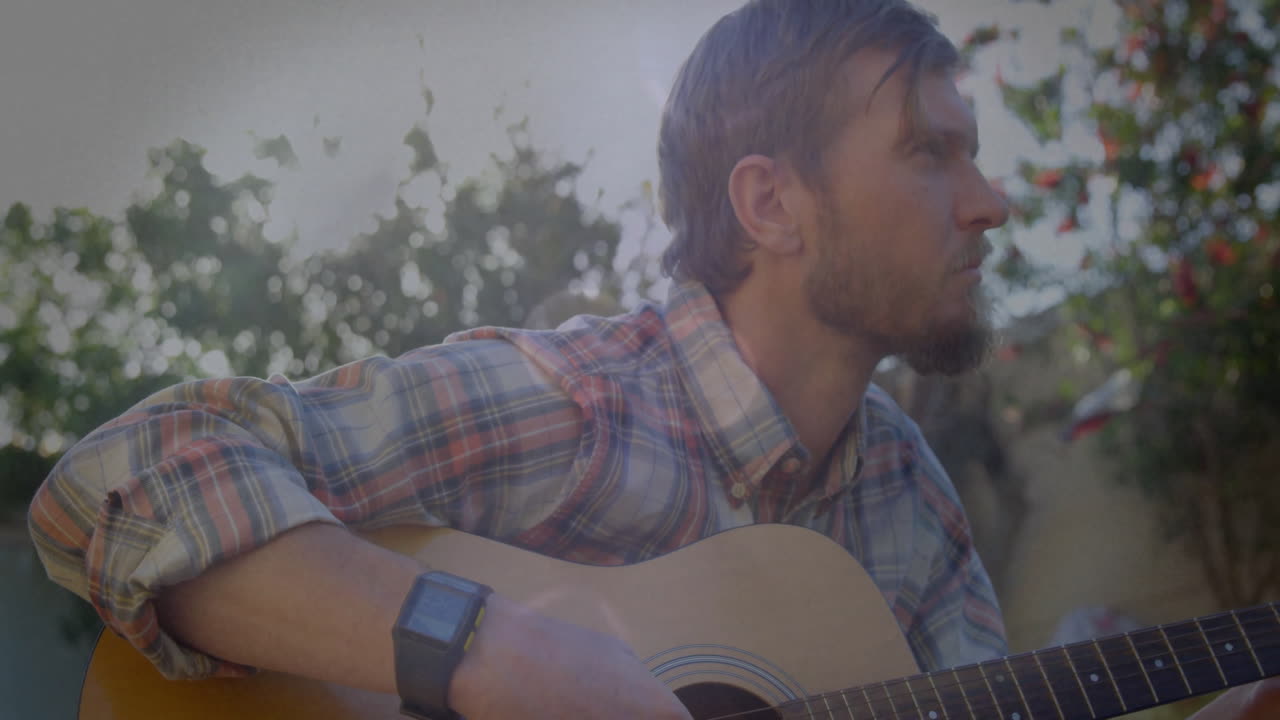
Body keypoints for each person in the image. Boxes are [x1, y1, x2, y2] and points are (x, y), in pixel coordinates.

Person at [27, 1, 1278, 718]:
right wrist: (494, 653)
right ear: (771, 205)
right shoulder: (576, 405)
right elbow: (123, 474)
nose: (990, 199)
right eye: (929, 152)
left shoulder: (911, 507)